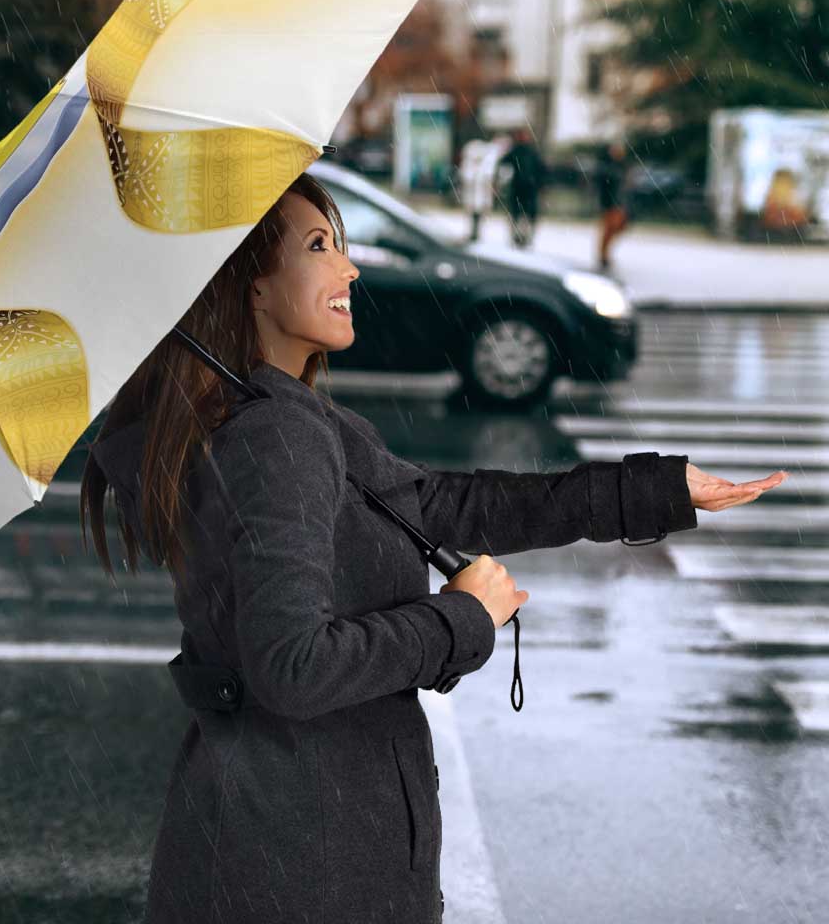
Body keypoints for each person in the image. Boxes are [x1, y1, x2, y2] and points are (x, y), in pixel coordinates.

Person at [81, 171, 783, 924]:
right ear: (250, 285)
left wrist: (655, 491)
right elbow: (292, 667)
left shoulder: (281, 417)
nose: (349, 268)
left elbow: (445, 505)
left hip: (283, 842)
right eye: (319, 246)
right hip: (303, 862)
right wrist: (460, 619)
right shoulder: (274, 436)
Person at [497, 126, 547, 249]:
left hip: (528, 188)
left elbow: (541, 170)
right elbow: (503, 164)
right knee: (518, 214)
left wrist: (540, 184)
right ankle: (518, 237)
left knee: (525, 215)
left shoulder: (530, 152)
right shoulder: (517, 151)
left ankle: (524, 237)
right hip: (520, 188)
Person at [595, 139, 631, 270]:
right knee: (609, 229)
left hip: (619, 203)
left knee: (617, 228)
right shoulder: (607, 167)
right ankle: (603, 255)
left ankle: (604, 254)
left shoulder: (622, 166)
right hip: (610, 203)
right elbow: (604, 186)